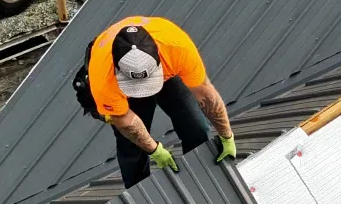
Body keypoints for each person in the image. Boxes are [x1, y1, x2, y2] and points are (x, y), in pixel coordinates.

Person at [80, 16, 236, 187]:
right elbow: (123, 119)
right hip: (121, 88)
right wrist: (155, 150)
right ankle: (139, 192)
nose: (144, 90)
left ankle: (203, 176)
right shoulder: (102, 76)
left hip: (167, 75)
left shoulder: (177, 48)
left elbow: (206, 94)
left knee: (195, 125)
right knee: (132, 146)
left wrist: (226, 135)